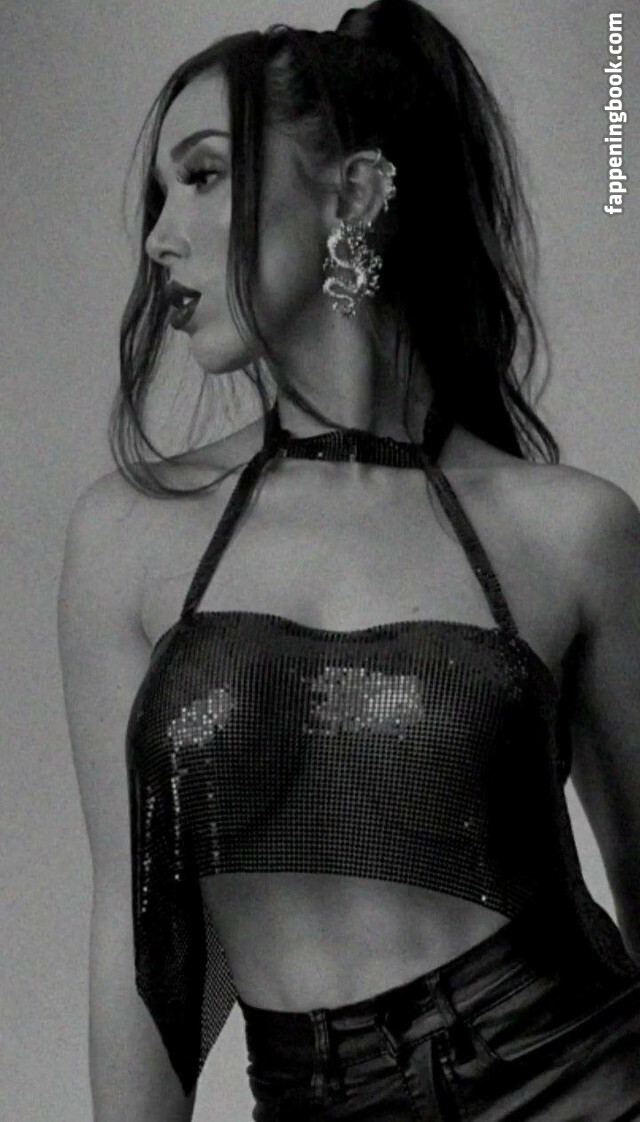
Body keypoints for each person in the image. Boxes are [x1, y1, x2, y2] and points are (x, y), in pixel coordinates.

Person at [57, 1, 640, 1119]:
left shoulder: (571, 532)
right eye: (161, 194)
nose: (160, 236)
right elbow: (135, 933)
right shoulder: (131, 535)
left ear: (357, 195)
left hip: (586, 1080)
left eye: (204, 176)